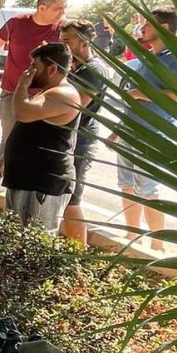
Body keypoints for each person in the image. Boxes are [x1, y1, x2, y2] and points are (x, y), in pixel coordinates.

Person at [117, 6, 177, 251]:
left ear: (164, 27)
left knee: (148, 189)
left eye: (148, 24)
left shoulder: (176, 57)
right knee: (126, 184)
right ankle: (130, 237)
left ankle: (157, 246)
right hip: (130, 129)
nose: (142, 28)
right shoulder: (149, 55)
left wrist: (143, 94)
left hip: (152, 133)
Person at [0, 0, 67, 183]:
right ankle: (2, 180)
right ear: (42, 7)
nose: (62, 13)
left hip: (44, 98)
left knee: (38, 140)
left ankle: (29, 181)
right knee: (9, 138)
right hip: (12, 94)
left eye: (64, 8)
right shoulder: (16, 23)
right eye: (58, 8)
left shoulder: (62, 30)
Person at [1, 43, 81, 233]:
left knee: (34, 240)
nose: (29, 71)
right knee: (13, 238)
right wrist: (5, 159)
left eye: (34, 66)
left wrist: (21, 85)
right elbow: (29, 128)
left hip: (41, 184)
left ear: (52, 69)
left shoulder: (63, 94)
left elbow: (23, 112)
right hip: (24, 179)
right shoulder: (48, 93)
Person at [59, 19, 109, 244]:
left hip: (80, 142)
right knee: (63, 197)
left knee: (71, 200)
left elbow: (74, 106)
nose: (63, 46)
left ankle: (77, 257)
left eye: (67, 41)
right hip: (69, 139)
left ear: (84, 42)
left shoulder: (94, 69)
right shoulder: (77, 66)